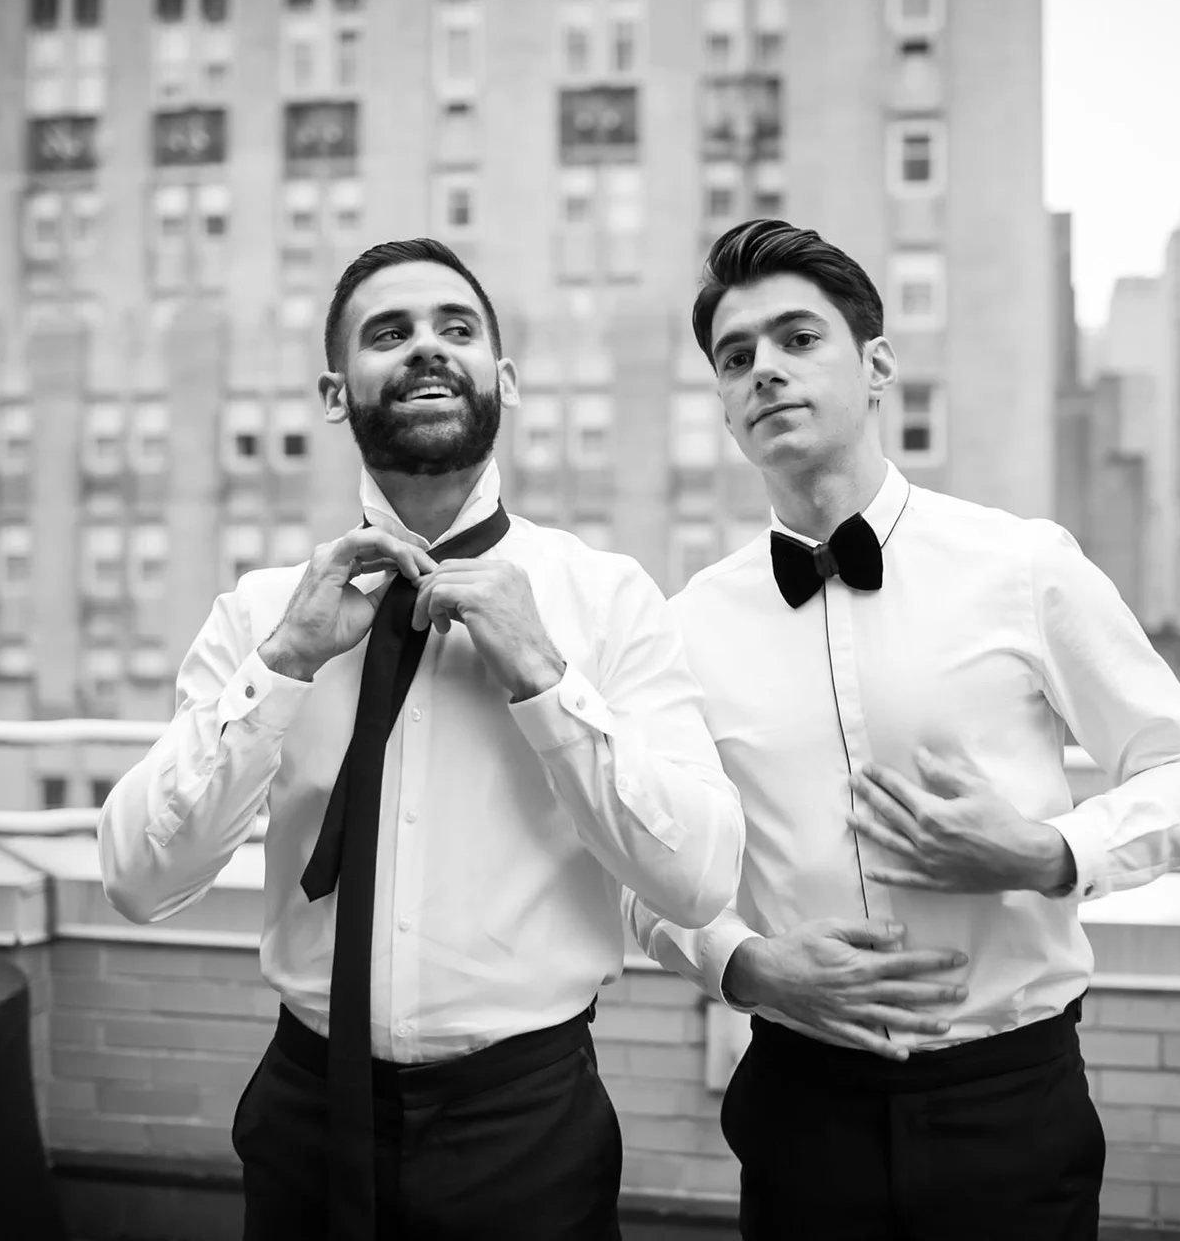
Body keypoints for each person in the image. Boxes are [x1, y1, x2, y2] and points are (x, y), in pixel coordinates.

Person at [100, 237, 745, 1241]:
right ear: (332, 392)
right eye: (387, 333)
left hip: (525, 1126)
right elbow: (141, 877)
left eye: (457, 329)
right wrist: (283, 666)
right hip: (304, 1113)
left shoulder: (606, 601)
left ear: (507, 379)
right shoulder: (263, 613)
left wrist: (545, 676)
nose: (426, 350)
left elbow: (699, 878)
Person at [626, 219, 1180, 1240]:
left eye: (797, 340)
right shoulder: (685, 624)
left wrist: (1049, 852)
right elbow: (645, 872)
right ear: (727, 412)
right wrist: (741, 964)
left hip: (1010, 1101)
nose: (765, 371)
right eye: (736, 359)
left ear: (876, 369)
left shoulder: (1023, 564)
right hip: (796, 1106)